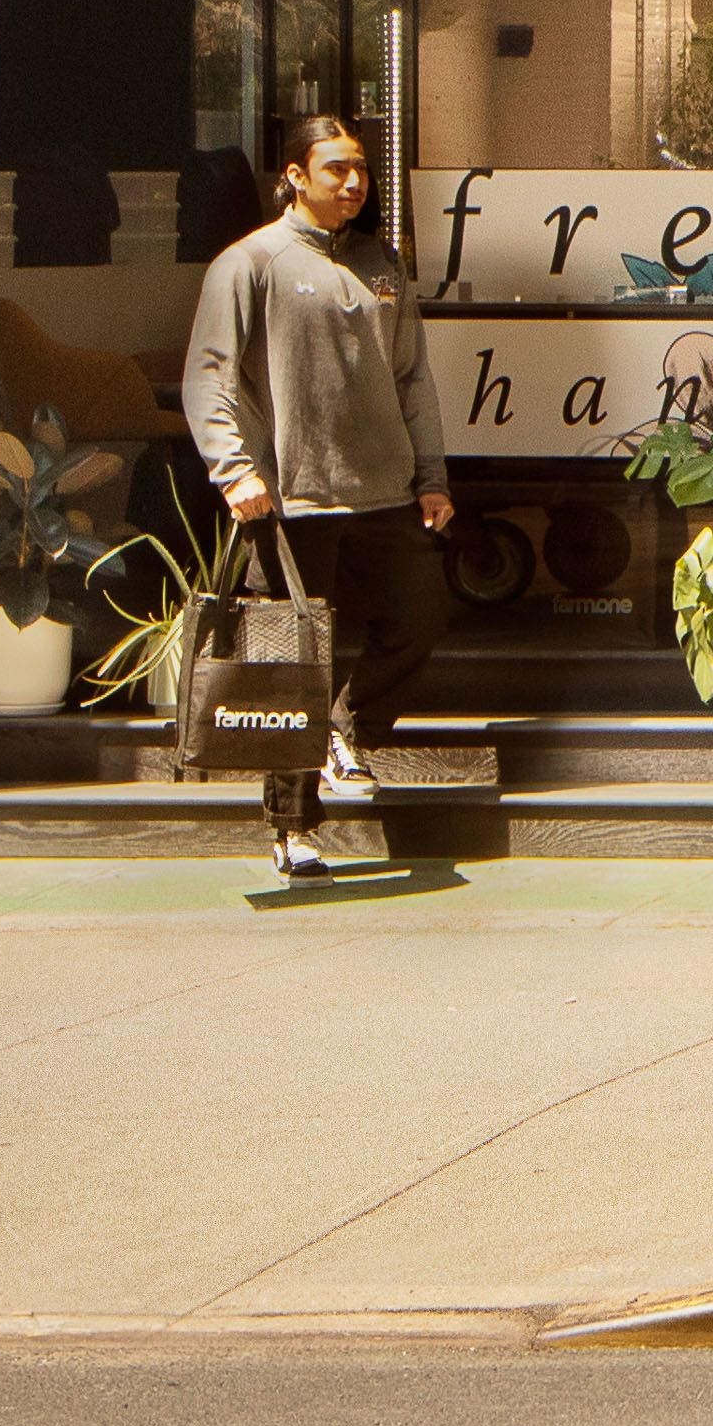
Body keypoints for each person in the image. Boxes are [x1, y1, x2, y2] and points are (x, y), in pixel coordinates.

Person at [176, 105, 445, 888]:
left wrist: (433, 477)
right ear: (294, 175)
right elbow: (209, 375)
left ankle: (346, 732)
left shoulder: (383, 265)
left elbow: (414, 380)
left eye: (361, 167)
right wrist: (235, 471)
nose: (355, 180)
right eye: (337, 167)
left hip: (386, 492)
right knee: (288, 669)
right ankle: (292, 831)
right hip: (289, 500)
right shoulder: (248, 262)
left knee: (422, 617)